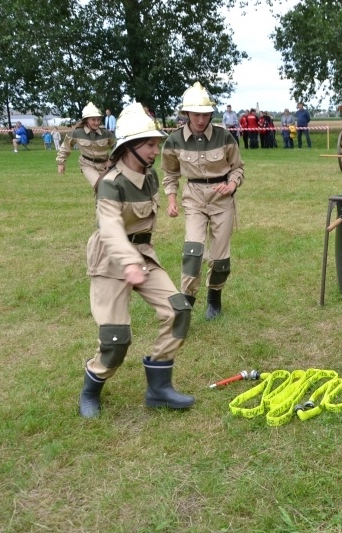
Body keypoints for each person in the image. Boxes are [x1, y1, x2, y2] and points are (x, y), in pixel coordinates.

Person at [78, 102, 194, 419]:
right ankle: (91, 387)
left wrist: (137, 261)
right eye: (150, 143)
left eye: (157, 143)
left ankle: (158, 388)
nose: (157, 149)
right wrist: (128, 262)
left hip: (143, 257)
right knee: (116, 342)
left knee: (179, 311)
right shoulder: (110, 183)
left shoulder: (150, 177)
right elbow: (111, 228)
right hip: (110, 261)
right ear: (130, 146)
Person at [162, 82, 245, 319]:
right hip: (194, 198)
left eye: (205, 114)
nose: (201, 120)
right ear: (186, 113)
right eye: (196, 114)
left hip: (222, 200)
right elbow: (170, 174)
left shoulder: (225, 136)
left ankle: (214, 298)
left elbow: (238, 168)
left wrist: (231, 184)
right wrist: (171, 200)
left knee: (220, 260)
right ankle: (186, 304)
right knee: (193, 251)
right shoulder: (174, 140)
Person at [56, 102, 116, 187]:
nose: (96, 123)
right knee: (99, 185)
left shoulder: (106, 133)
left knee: (110, 188)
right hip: (87, 164)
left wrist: (111, 161)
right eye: (93, 120)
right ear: (86, 120)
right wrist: (61, 163)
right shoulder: (77, 133)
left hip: (104, 164)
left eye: (98, 119)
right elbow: (65, 147)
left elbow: (117, 148)